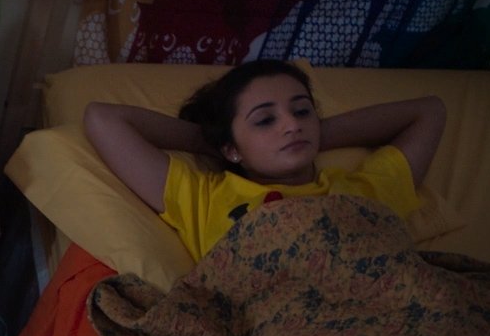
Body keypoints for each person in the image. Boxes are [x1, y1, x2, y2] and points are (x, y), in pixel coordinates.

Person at [82, 58, 446, 262]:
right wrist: (219, 143)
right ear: (230, 148)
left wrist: (312, 136)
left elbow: (429, 111)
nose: (291, 124)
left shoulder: (362, 192)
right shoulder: (205, 198)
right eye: (265, 120)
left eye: (302, 111)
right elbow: (103, 118)